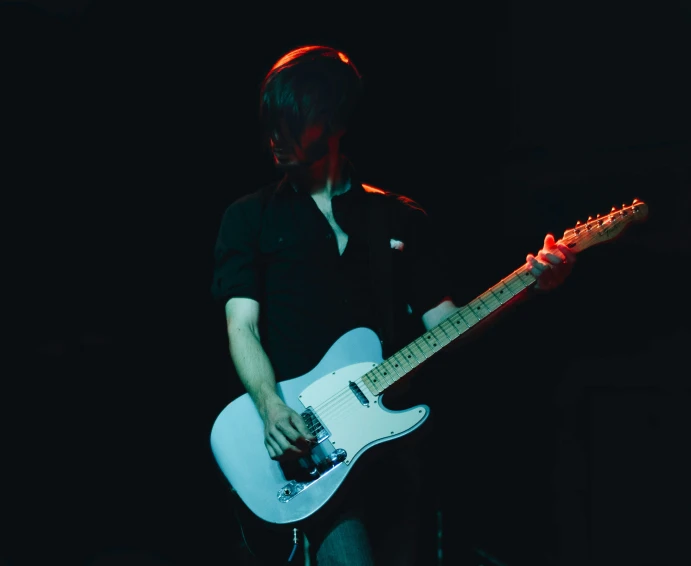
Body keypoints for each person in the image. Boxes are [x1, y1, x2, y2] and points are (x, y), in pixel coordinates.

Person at [210, 44, 576, 566]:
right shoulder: (248, 219)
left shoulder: (398, 219)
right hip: (303, 447)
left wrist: (528, 285)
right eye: (271, 121)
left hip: (390, 449)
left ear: (333, 121)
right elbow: (241, 326)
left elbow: (445, 326)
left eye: (293, 122)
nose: (276, 136)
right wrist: (270, 406)